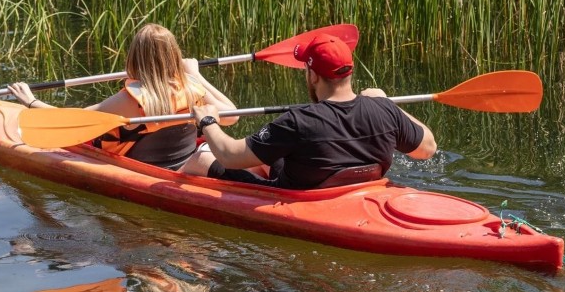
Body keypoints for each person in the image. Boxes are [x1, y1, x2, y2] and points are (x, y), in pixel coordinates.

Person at [180, 33, 437, 188]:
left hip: (301, 196)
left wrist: (207, 121)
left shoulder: (297, 121)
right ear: (349, 71)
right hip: (353, 189)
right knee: (272, 154)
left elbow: (229, 156)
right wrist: (387, 103)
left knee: (202, 158)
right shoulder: (383, 110)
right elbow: (427, 149)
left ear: (313, 75)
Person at [8, 23, 238, 169]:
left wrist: (31, 101)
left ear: (135, 58)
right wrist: (196, 76)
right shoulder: (192, 88)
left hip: (144, 170)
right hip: (182, 163)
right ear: (174, 55)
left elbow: (74, 120)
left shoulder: (132, 100)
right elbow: (232, 116)